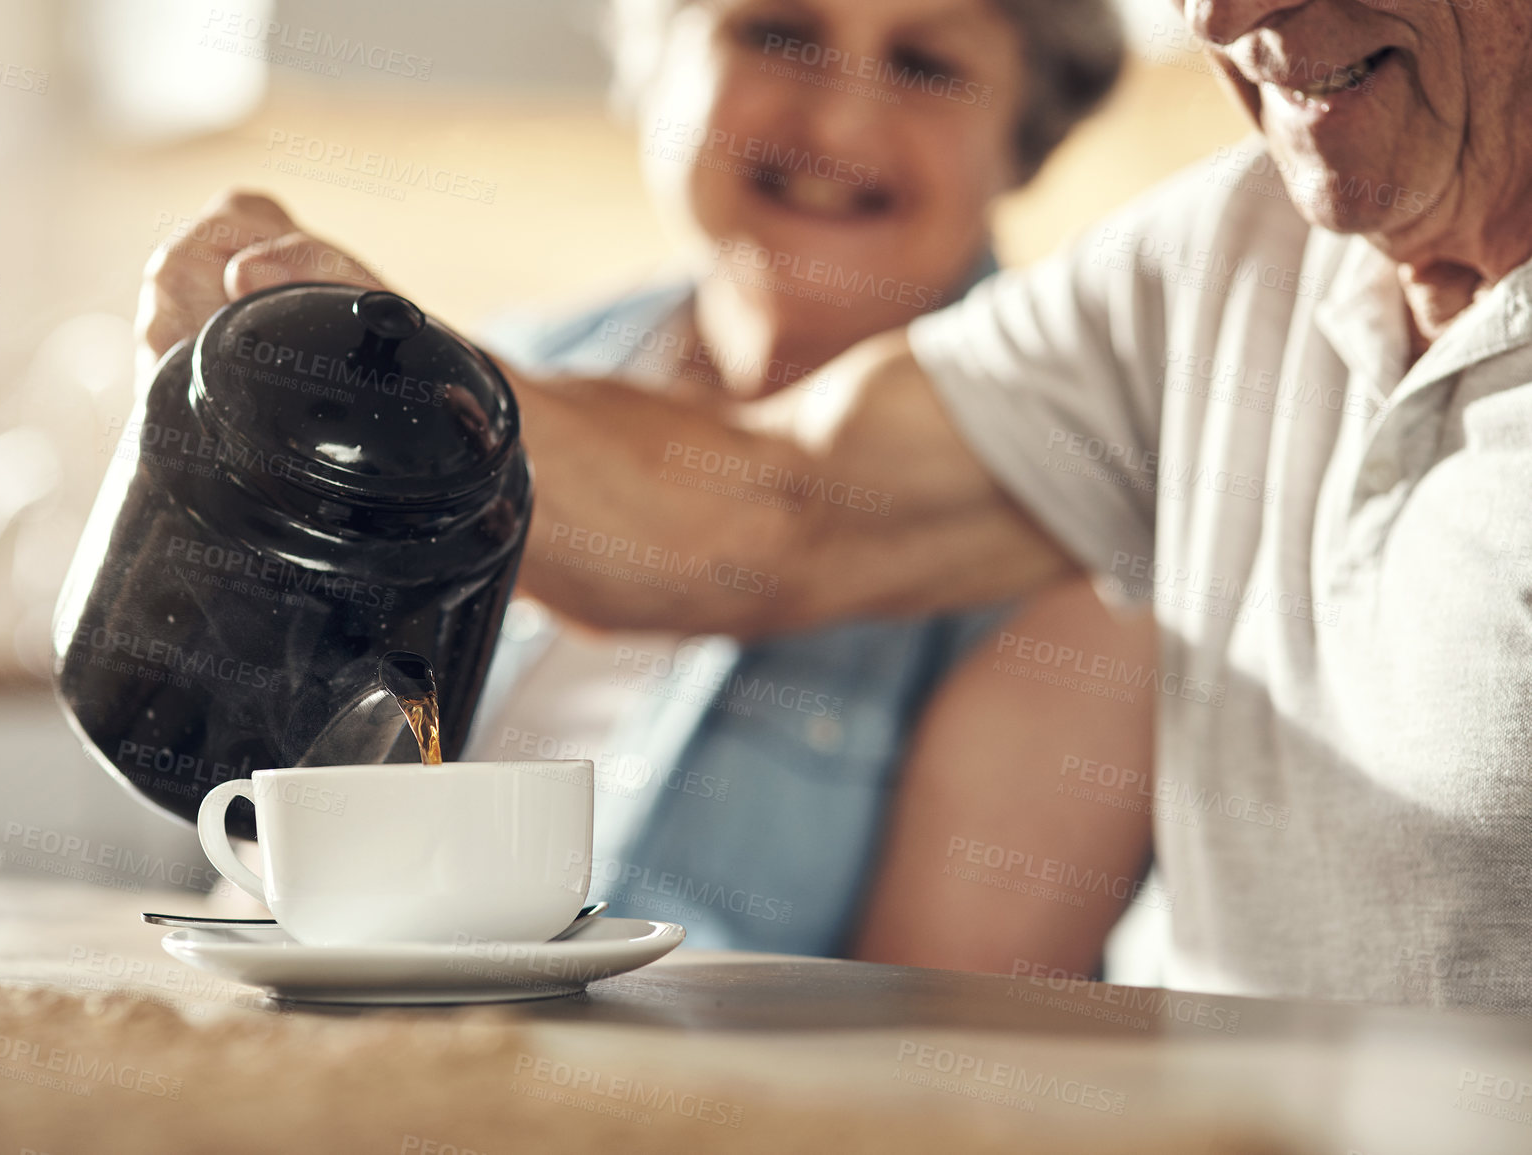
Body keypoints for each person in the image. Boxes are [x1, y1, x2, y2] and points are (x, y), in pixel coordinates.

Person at [146, 0, 1532, 1009]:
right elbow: (771, 512)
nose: (1219, 15)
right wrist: (352, 361)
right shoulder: (1216, 250)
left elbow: (935, 1030)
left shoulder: (1080, 586)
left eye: (926, 62)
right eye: (775, 33)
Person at [139, 0, 1157, 972]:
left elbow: (948, 1052)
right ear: (657, 57)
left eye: (927, 64)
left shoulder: (1076, 502)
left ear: (1027, 134)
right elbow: (281, 870)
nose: (840, 118)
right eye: (778, 33)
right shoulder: (519, 369)